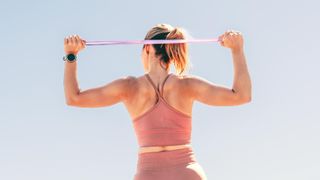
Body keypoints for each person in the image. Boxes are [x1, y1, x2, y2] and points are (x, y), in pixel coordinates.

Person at [63, 23, 252, 180]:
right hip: (187, 172)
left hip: (149, 174)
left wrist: (71, 55)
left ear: (147, 47)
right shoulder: (187, 85)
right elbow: (241, 95)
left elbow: (74, 98)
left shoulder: (128, 87)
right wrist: (237, 50)